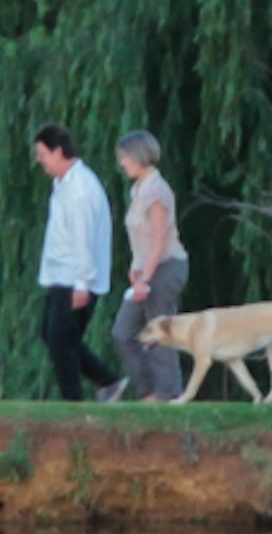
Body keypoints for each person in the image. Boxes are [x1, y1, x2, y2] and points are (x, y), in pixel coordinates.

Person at [30, 124, 119, 401]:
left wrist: (82, 283)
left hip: (76, 276)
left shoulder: (80, 189)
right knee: (53, 334)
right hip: (61, 273)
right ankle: (107, 380)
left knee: (61, 338)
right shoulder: (63, 184)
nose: (39, 159)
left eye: (43, 153)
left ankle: (73, 400)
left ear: (58, 152)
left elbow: (84, 238)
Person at [108, 130, 189, 403]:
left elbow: (160, 237)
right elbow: (140, 237)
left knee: (159, 335)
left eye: (125, 157)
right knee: (123, 332)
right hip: (150, 271)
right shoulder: (139, 189)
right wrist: (136, 268)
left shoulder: (156, 190)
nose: (122, 163)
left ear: (139, 156)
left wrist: (146, 278)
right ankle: (149, 394)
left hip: (166, 268)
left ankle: (169, 397)